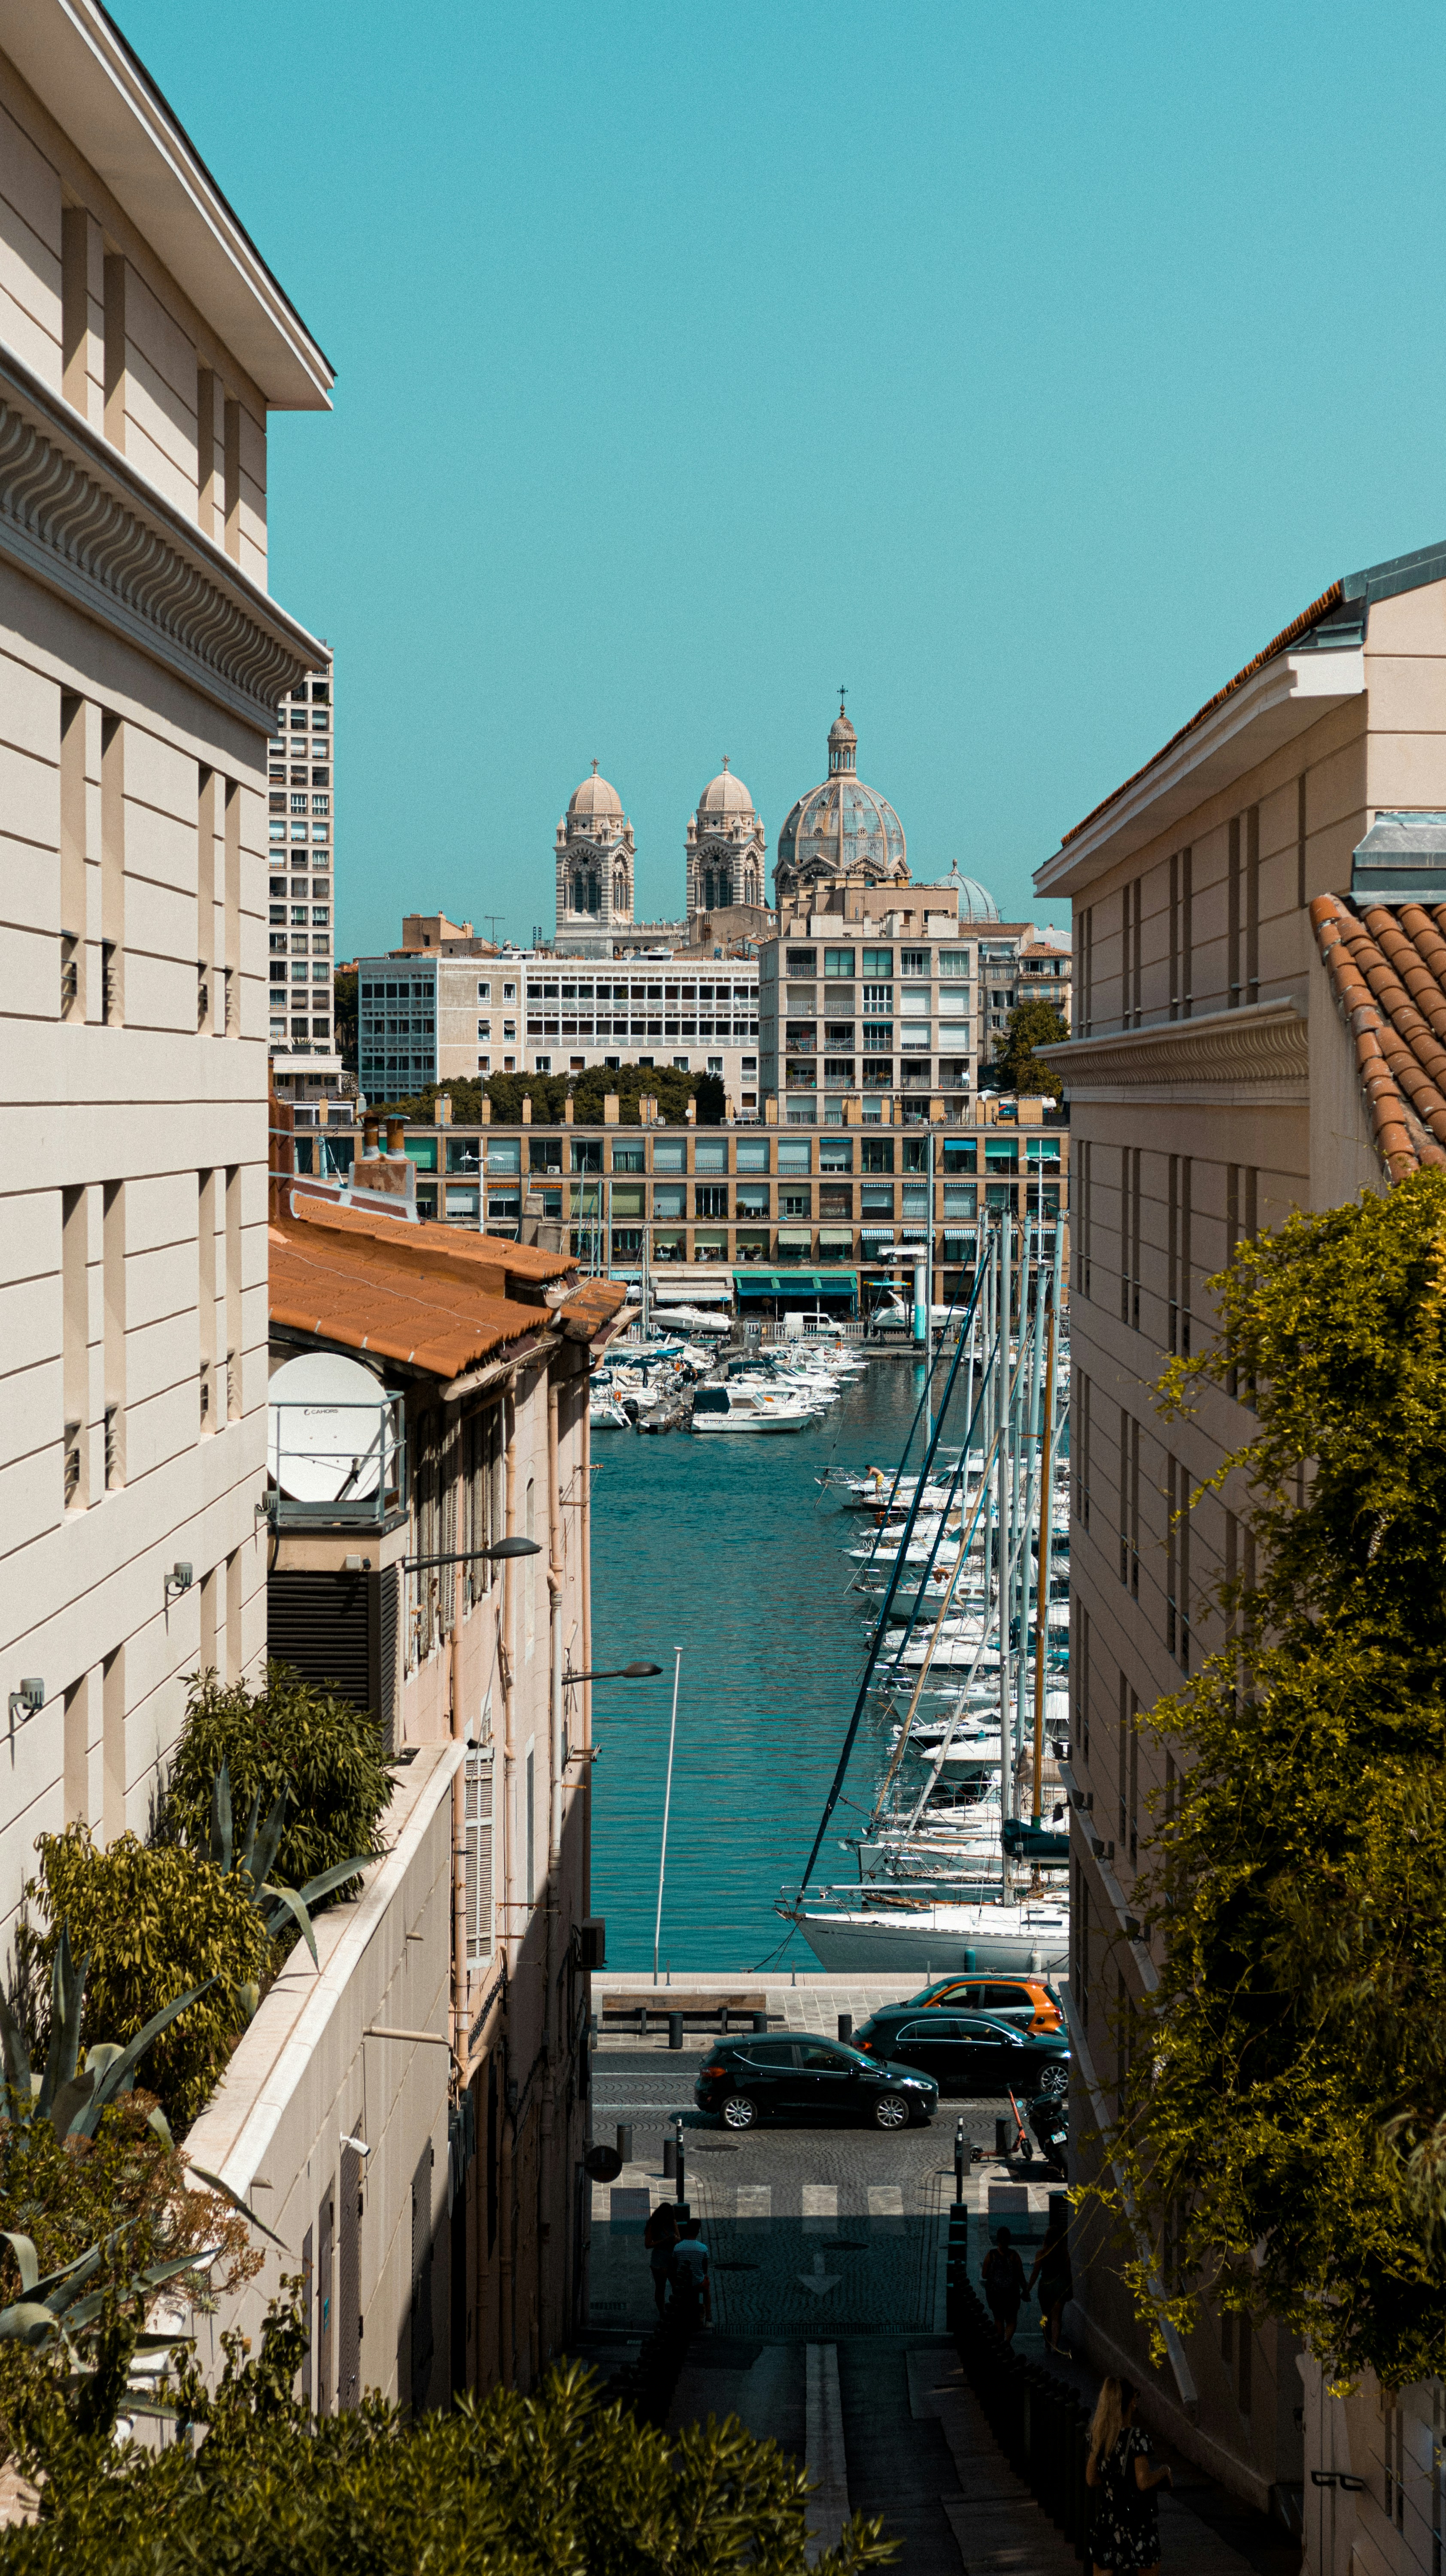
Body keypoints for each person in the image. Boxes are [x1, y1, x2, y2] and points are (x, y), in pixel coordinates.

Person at [1086, 2377, 1173, 2576]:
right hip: (1138, 2522)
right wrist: (1164, 2471)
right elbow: (1143, 2482)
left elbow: (1091, 2479)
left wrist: (1112, 2481)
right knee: (1148, 2567)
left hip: (1108, 2520)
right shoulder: (1137, 2438)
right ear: (1132, 2402)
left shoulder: (1099, 2436)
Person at [1028, 2211, 1073, 2355]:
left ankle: (1047, 2343)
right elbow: (1068, 2273)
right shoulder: (1064, 2254)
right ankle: (1055, 2344)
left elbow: (1035, 2273)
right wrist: (1069, 2288)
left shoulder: (1041, 2254)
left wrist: (1027, 2289)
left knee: (1045, 2316)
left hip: (1046, 2287)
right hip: (1060, 2286)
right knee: (1057, 2318)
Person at [981, 2224, 1027, 2344]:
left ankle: (1001, 2342)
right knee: (1012, 2320)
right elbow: (1020, 2275)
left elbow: (984, 2275)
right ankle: (1007, 2341)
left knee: (999, 2319)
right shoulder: (1014, 2256)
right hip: (1012, 2293)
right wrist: (1025, 2289)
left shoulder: (991, 2255)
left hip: (995, 2294)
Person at [669, 2218, 711, 2327]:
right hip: (698, 2283)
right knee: (707, 2288)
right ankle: (709, 2318)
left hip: (682, 2284)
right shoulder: (703, 2249)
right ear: (698, 2231)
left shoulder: (677, 2248)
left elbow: (674, 2267)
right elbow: (705, 2270)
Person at [643, 2199, 679, 2318]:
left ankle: (676, 2311)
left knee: (677, 2286)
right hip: (659, 2260)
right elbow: (648, 2244)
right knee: (660, 2288)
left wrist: (675, 2237)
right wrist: (664, 2241)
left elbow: (679, 2239)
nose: (669, 2217)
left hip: (672, 2259)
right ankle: (662, 2313)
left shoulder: (672, 2222)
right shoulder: (653, 2225)